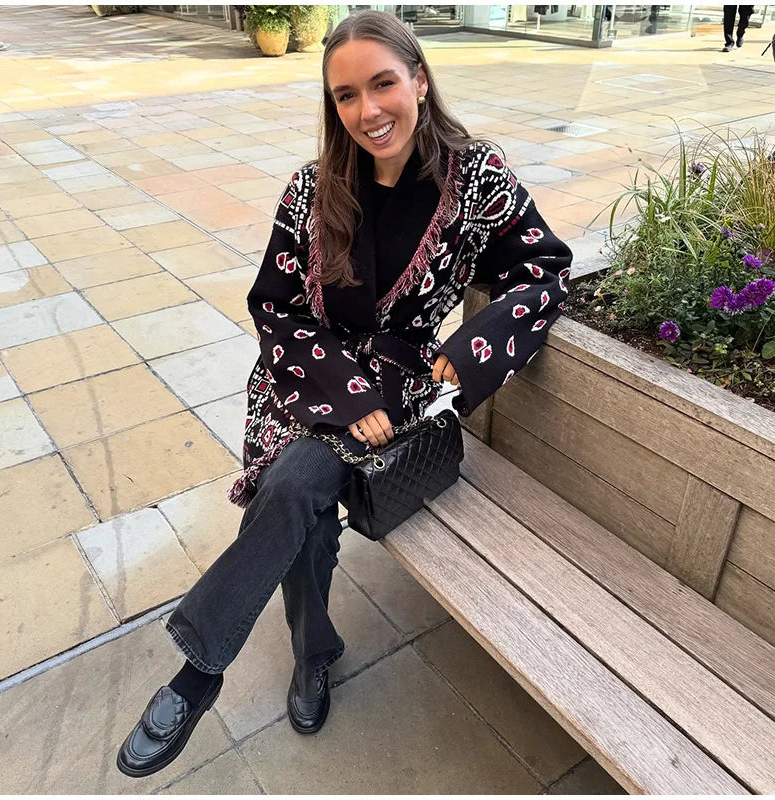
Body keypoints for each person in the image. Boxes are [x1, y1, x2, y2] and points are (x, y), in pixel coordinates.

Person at [116, 9, 572, 779]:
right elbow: (276, 307)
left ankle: (212, 671)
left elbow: (544, 269)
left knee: (291, 491)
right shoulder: (312, 190)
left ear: (419, 80)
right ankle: (305, 655)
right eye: (346, 96)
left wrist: (472, 350)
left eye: (384, 84)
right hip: (307, 377)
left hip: (400, 398)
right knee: (296, 500)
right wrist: (341, 387)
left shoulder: (477, 177)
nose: (368, 112)